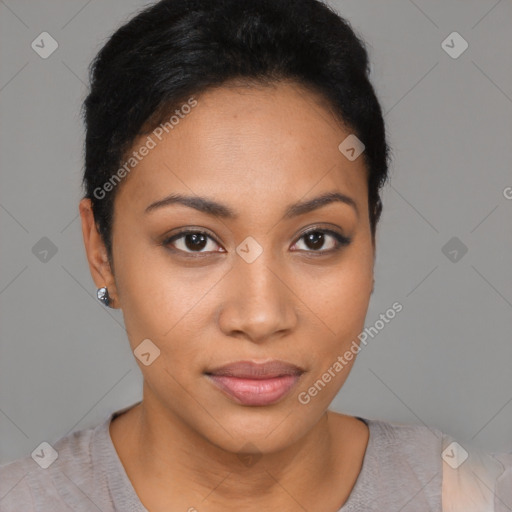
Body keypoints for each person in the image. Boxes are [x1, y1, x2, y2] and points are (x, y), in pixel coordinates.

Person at [1, 0, 511, 510]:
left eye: (315, 239)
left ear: (372, 243)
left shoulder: (474, 496)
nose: (262, 316)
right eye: (194, 240)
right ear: (100, 253)